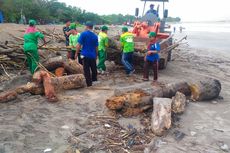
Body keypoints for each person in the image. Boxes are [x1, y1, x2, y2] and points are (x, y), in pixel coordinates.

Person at [76, 21, 98, 87]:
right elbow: (96, 47)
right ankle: (94, 80)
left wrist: (76, 53)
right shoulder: (95, 36)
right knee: (94, 68)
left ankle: (89, 84)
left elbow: (79, 45)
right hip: (92, 55)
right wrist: (96, 55)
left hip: (84, 55)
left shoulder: (83, 34)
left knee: (86, 69)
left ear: (87, 26)